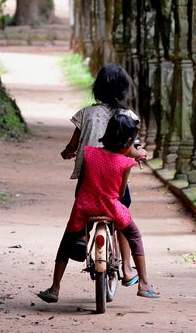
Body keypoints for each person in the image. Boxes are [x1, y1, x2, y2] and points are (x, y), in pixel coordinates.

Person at [40, 113, 160, 301]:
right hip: (111, 207)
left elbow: (86, 179)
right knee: (134, 235)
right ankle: (144, 284)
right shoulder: (125, 163)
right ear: (129, 141)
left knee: (67, 240)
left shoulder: (89, 153)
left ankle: (55, 287)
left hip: (84, 206)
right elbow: (120, 194)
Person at [61, 64, 139, 285]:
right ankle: (127, 268)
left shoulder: (85, 114)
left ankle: (83, 237)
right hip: (115, 182)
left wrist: (68, 152)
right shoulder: (129, 116)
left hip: (88, 179)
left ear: (97, 88)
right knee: (123, 217)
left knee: (82, 209)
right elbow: (133, 148)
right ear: (124, 89)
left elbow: (72, 145)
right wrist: (139, 154)